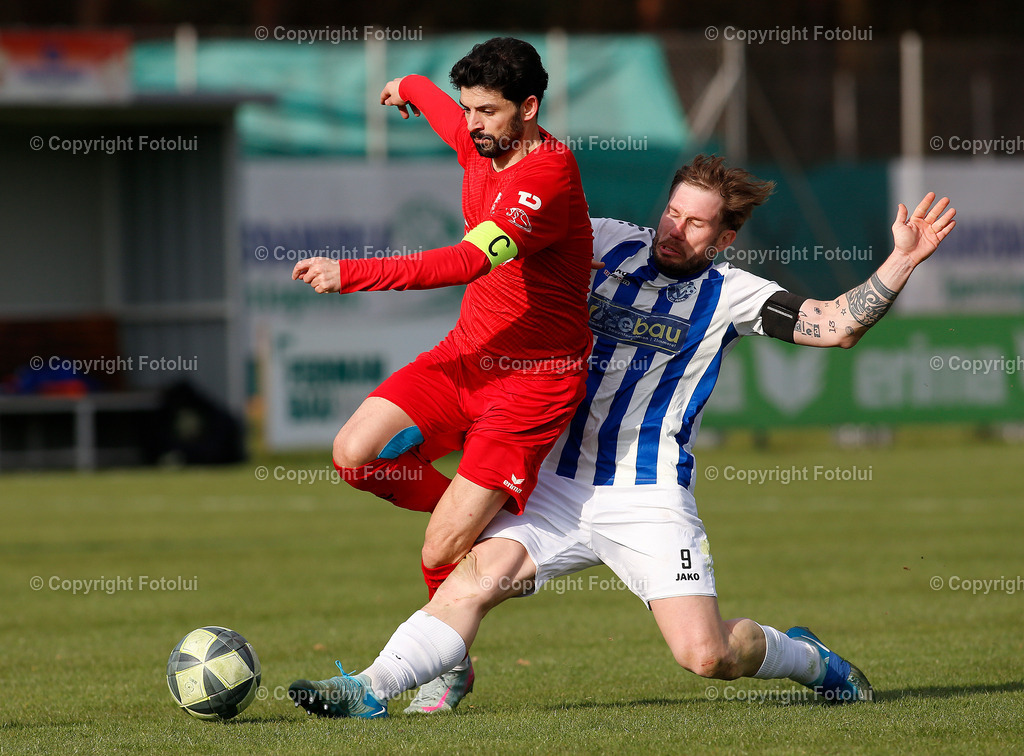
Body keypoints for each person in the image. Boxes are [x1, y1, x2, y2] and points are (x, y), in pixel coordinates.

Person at [288, 154, 956, 718]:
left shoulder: (732, 293)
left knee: (707, 656)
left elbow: (835, 324)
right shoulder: (602, 241)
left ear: (724, 239)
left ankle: (808, 659)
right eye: (673, 212)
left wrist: (900, 262)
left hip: (646, 495)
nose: (675, 229)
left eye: (696, 224)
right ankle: (368, 689)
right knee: (471, 580)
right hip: (554, 483)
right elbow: (514, 254)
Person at [291, 37, 593, 606]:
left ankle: (447, 663)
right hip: (465, 358)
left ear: (528, 108)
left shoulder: (544, 177)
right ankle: (486, 516)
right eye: (468, 108)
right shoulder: (482, 139)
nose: (472, 124)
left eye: (487, 111)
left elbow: (466, 261)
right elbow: (438, 108)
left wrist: (350, 274)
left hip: (531, 386)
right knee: (355, 452)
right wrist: (406, 86)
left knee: (438, 552)